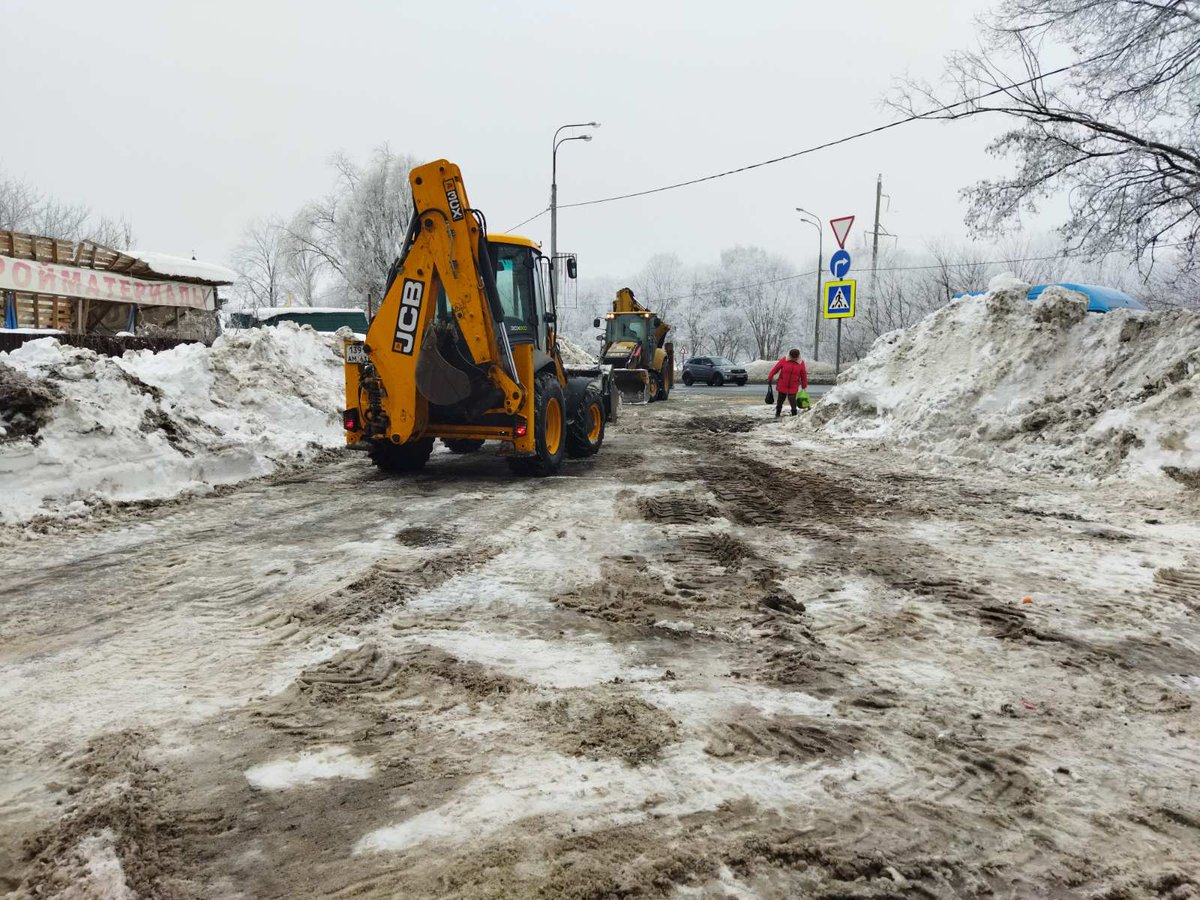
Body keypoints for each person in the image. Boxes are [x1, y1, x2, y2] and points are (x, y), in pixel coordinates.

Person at [767, 348, 808, 417]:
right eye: (792, 357)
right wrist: (770, 376)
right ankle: (777, 413)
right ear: (790, 355)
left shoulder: (801, 363)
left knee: (792, 400)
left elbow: (803, 375)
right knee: (780, 400)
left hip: (793, 385)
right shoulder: (784, 360)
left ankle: (794, 414)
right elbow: (776, 368)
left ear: (798, 356)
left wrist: (804, 385)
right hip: (782, 383)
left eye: (795, 358)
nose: (793, 359)